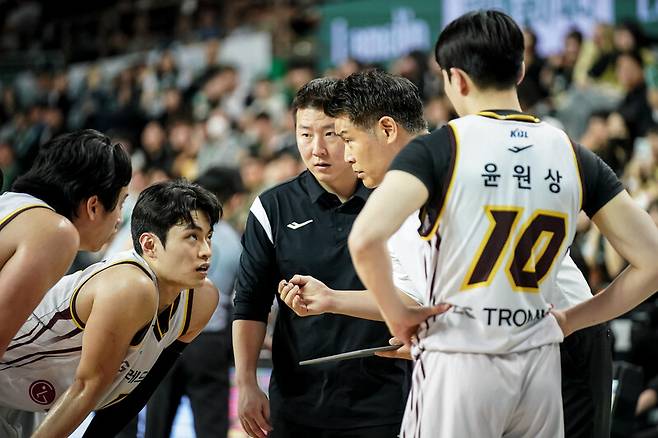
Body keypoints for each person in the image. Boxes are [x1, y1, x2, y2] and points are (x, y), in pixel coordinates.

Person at [348, 10, 658, 438]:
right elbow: (652, 263)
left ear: (456, 79)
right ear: (521, 70)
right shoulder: (572, 153)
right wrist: (572, 319)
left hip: (461, 358)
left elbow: (364, 239)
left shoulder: (440, 148)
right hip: (539, 364)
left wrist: (399, 317)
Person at [281, 69, 615, 436]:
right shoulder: (395, 195)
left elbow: (483, 283)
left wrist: (427, 334)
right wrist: (333, 299)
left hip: (558, 334)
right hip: (496, 343)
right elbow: (415, 293)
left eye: (348, 139)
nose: (345, 155)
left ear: (388, 129)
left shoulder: (465, 165)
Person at [233, 77, 411, 438]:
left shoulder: (397, 197)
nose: (317, 149)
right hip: (298, 403)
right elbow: (250, 303)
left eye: (330, 134)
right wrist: (247, 382)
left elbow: (419, 293)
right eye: (305, 134)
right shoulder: (272, 207)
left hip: (387, 400)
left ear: (350, 132)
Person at [0, 180, 220, 438]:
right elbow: (87, 387)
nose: (206, 251)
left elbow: (137, 391)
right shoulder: (129, 286)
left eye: (208, 237)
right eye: (192, 237)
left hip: (36, 406)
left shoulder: (201, 299)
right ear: (149, 245)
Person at [0, 129, 132, 357]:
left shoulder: (11, 202)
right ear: (93, 206)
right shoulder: (57, 232)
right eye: (121, 204)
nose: (119, 219)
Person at [144, 167, 245, 438]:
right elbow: (242, 299)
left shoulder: (170, 230)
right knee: (210, 426)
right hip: (209, 341)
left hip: (166, 333)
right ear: (235, 199)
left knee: (157, 422)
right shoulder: (235, 242)